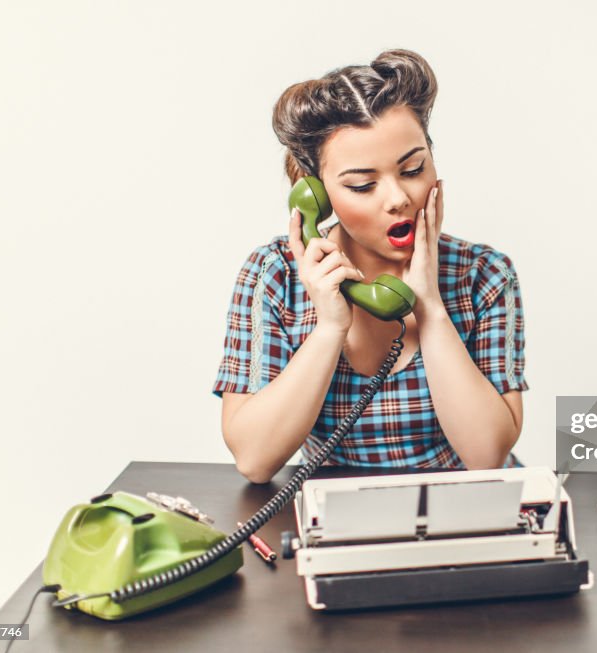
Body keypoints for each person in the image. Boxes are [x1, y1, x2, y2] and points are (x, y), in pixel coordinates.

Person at [212, 50, 527, 483]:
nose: (397, 198)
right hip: (338, 520)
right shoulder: (275, 275)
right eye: (363, 185)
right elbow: (254, 459)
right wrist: (329, 327)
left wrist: (430, 308)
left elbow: (486, 456)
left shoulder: (484, 274)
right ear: (316, 195)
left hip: (466, 513)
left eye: (413, 168)